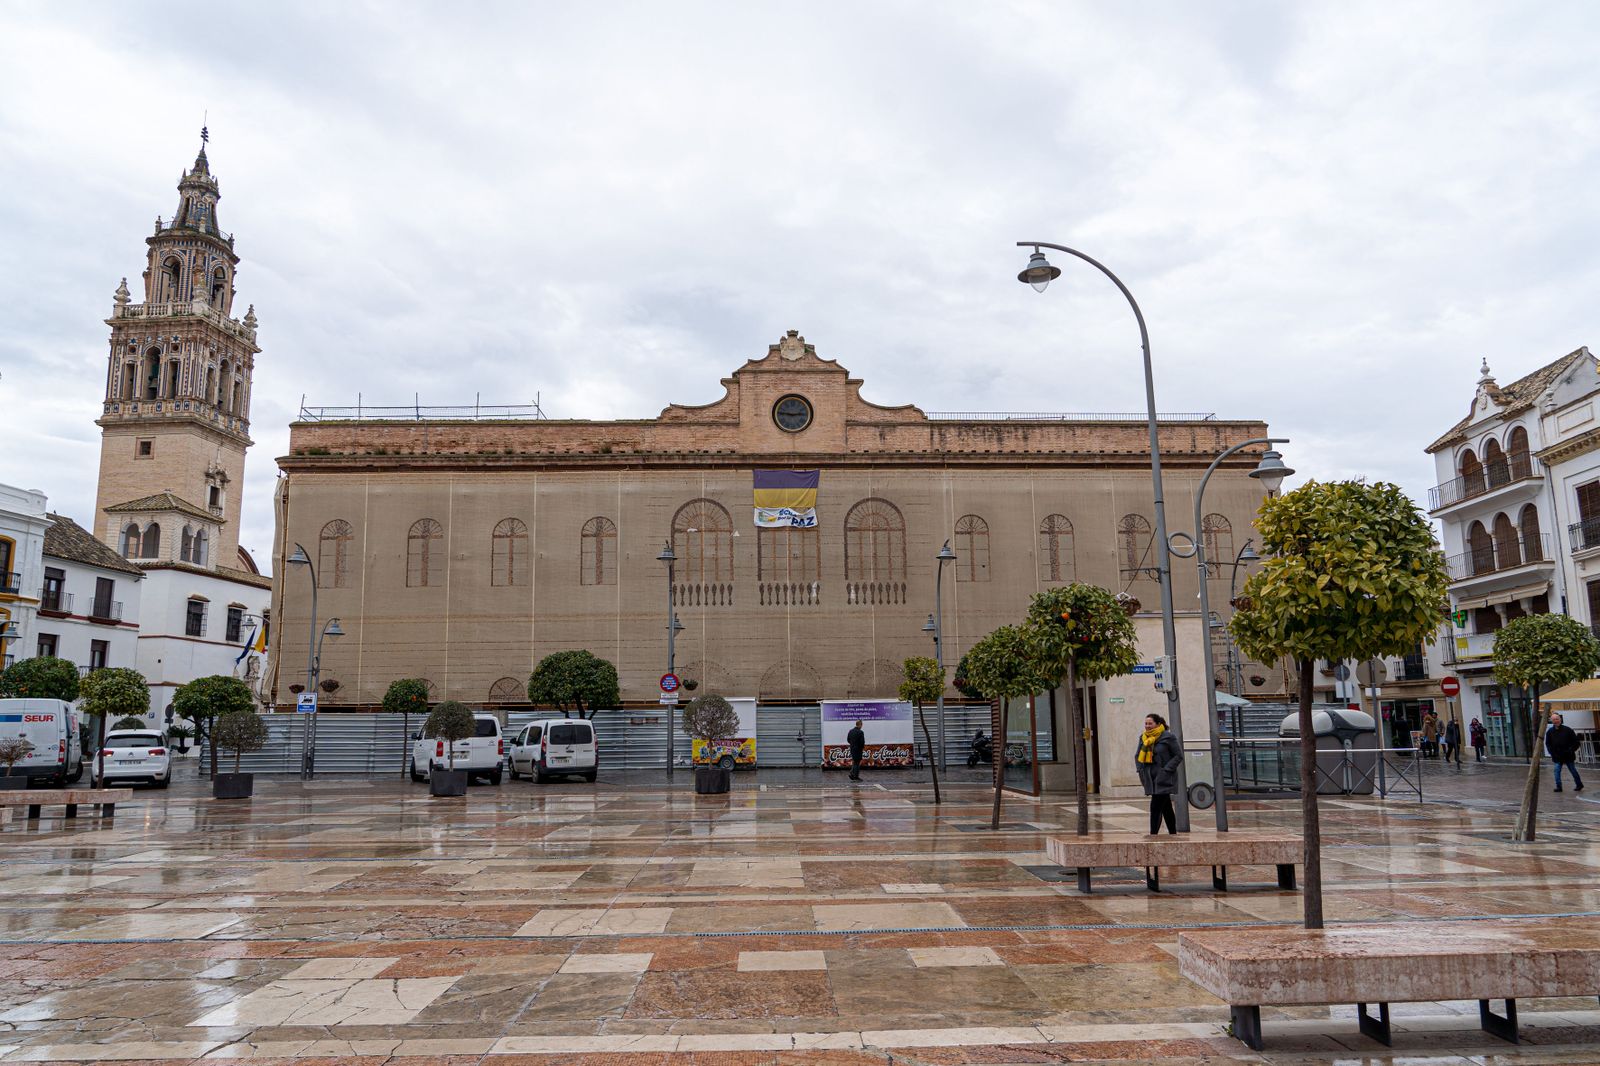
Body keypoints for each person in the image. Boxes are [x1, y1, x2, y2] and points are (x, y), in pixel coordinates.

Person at [1136, 713, 1183, 835]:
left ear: (1158, 724)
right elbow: (1137, 756)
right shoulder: (1143, 738)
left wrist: (1166, 770)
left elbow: (1178, 756)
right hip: (1150, 777)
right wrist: (1140, 770)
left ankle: (1153, 835)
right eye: (1146, 723)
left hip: (1164, 778)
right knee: (1166, 807)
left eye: (1150, 723)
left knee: (1155, 806)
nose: (1147, 726)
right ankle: (1173, 832)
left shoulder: (1168, 737)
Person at [1546, 712, 1584, 793]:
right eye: (1554, 719)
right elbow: (1548, 743)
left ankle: (1579, 784)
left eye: (1557, 719)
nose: (1556, 721)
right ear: (1551, 721)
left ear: (1560, 720)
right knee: (1556, 771)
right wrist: (1551, 752)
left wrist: (1570, 750)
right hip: (1557, 756)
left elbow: (1576, 742)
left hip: (1568, 755)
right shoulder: (1550, 731)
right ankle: (1558, 786)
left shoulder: (1568, 730)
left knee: (1573, 770)